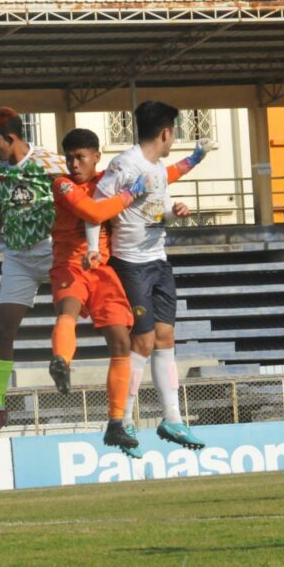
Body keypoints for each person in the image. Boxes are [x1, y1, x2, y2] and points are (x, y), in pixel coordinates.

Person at [92, 101, 213, 453]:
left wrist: (175, 212)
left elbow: (157, 211)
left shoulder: (158, 168)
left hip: (158, 259)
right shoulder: (124, 164)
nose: (173, 139)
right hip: (130, 264)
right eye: (173, 133)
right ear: (165, 133)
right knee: (142, 342)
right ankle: (125, 419)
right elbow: (96, 208)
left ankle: (172, 418)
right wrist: (93, 248)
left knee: (165, 337)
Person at [0, 107, 68, 443]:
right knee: (4, 330)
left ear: (10, 137)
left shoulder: (49, 163)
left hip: (54, 250)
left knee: (68, 314)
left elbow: (81, 194)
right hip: (18, 257)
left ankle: (63, 363)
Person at [48, 128, 147, 453]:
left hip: (102, 269)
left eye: (80, 157)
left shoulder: (108, 181)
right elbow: (94, 213)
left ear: (96, 157)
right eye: (70, 158)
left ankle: (115, 423)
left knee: (121, 341)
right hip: (70, 264)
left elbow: (156, 176)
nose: (74, 164)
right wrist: (131, 194)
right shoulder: (62, 184)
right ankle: (61, 361)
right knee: (69, 308)